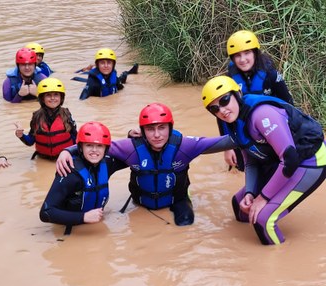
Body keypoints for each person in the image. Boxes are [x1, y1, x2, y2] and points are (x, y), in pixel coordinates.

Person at [56, 102, 237, 226]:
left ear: (170, 128)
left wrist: (254, 129)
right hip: (141, 203)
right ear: (142, 131)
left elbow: (224, 142)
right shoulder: (130, 147)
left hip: (177, 200)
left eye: (162, 128)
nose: (157, 135)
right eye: (150, 129)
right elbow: (94, 145)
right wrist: (67, 151)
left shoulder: (186, 145)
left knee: (185, 225)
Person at [201, 75, 326, 245]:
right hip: (287, 162)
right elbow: (251, 162)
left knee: (263, 220)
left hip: (311, 161)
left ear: (237, 94)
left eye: (224, 100)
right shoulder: (233, 123)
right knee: (239, 205)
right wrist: (250, 193)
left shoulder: (261, 114)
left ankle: (279, 265)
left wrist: (263, 198)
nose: (221, 110)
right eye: (214, 109)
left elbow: (289, 160)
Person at [221, 30, 294, 171]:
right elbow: (223, 116)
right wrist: (227, 148)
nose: (243, 59)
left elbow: (289, 105)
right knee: (242, 168)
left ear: (255, 52)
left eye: (247, 53)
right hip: (243, 130)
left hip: (270, 127)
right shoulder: (230, 79)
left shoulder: (270, 75)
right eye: (237, 55)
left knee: (276, 166)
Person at [39, 121, 127, 233]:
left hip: (96, 226)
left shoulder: (108, 163)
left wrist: (135, 134)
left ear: (106, 148)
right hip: (71, 230)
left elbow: (134, 152)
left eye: (99, 145)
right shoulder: (69, 171)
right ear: (80, 147)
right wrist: (84, 217)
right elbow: (46, 213)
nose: (94, 150)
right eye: (89, 145)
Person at [14, 77, 77, 160]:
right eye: (48, 95)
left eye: (56, 94)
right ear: (42, 99)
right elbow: (30, 141)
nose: (52, 98)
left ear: (61, 98)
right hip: (42, 159)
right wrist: (21, 135)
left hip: (64, 159)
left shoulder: (67, 115)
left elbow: (75, 139)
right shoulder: (36, 117)